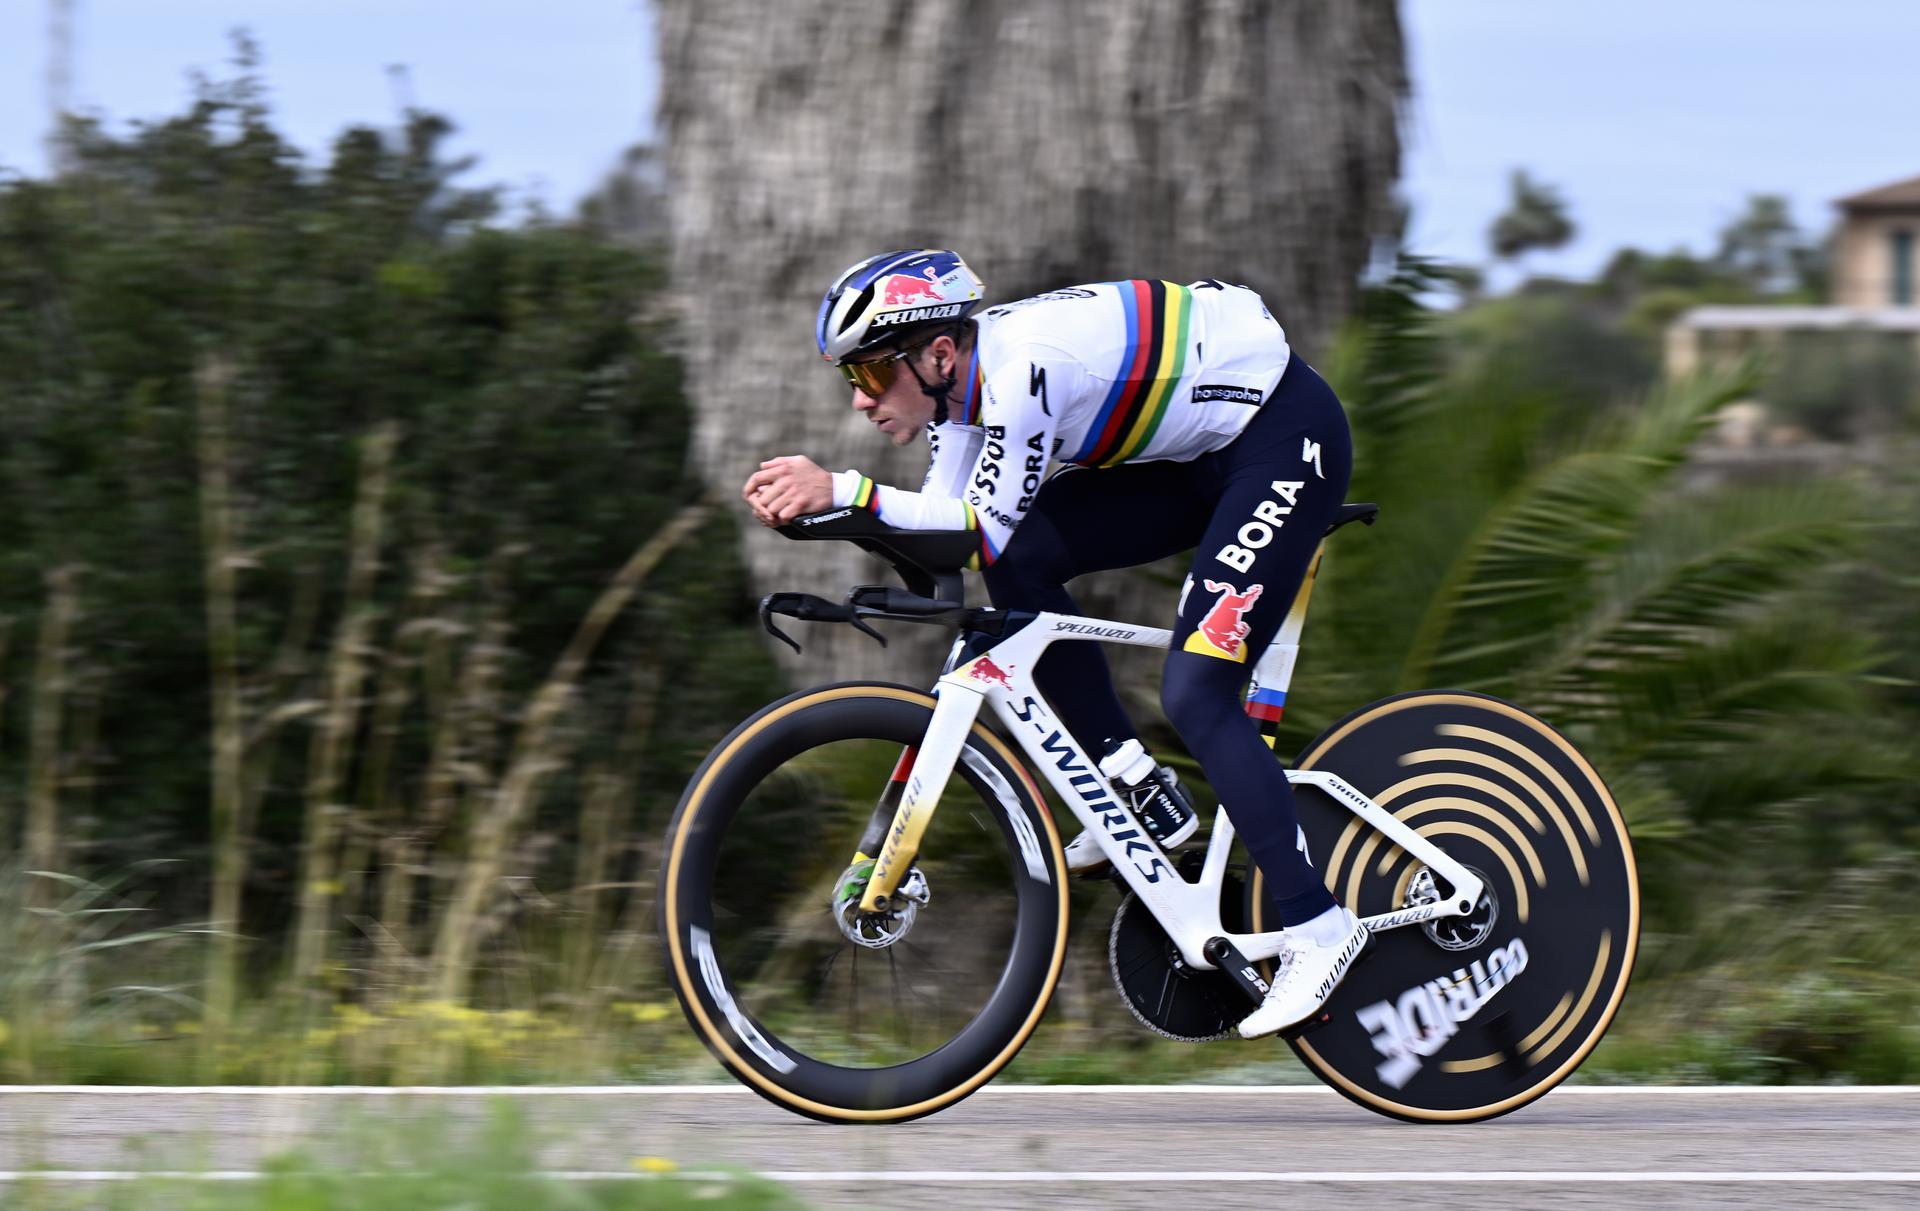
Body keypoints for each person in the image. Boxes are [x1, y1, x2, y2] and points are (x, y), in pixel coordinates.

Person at [743, 248, 1365, 1036]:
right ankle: (1136, 787)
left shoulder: (1022, 375)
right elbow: (946, 543)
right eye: (851, 381)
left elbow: (973, 529)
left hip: (1282, 442)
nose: (862, 402)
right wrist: (829, 518)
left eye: (869, 374)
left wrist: (845, 490)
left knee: (1197, 688)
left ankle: (1318, 927)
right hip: (1204, 455)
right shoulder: (957, 406)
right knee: (1024, 556)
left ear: (937, 354)